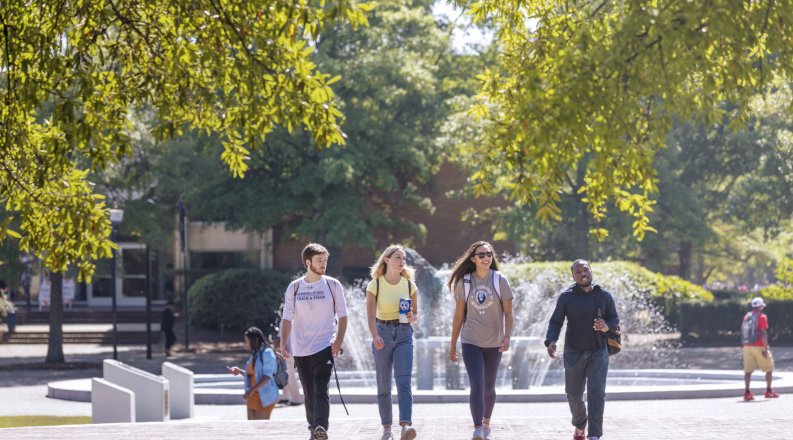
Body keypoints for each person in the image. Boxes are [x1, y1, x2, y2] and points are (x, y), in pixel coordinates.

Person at [544, 259, 619, 440]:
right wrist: (551, 340)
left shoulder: (604, 296)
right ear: (573, 275)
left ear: (591, 271)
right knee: (573, 394)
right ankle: (580, 423)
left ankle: (594, 434)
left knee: (597, 393)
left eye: (585, 270)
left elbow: (614, 318)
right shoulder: (566, 297)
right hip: (573, 351)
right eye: (578, 271)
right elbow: (556, 322)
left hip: (598, 351)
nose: (582, 274)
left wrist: (606, 326)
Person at [281, 243, 348, 440]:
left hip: (324, 345)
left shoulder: (333, 285)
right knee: (309, 392)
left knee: (321, 389)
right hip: (301, 348)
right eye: (319, 260)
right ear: (308, 262)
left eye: (325, 260)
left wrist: (338, 342)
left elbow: (343, 316)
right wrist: (285, 342)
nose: (323, 264)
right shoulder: (294, 288)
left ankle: (320, 426)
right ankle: (313, 427)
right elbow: (287, 318)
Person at [448, 241, 514, 440]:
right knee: (476, 383)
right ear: (473, 259)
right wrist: (453, 346)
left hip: (494, 342)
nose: (486, 258)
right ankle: (477, 428)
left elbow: (509, 313)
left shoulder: (500, 280)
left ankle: (486, 422)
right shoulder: (465, 282)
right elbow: (458, 317)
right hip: (470, 341)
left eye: (489, 254)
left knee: (488, 386)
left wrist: (507, 337)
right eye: (482, 255)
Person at [365, 245, 419, 440]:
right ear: (386, 259)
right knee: (384, 384)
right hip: (382, 332)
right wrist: (375, 335)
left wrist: (412, 316)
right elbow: (370, 316)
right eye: (397, 257)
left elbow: (415, 315)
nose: (401, 261)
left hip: (404, 333)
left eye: (403, 258)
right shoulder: (375, 284)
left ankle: (405, 426)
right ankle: (387, 428)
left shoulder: (409, 285)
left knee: (404, 382)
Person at [226, 327, 280, 420]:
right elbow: (254, 374)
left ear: (256, 340)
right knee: (251, 428)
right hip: (252, 397)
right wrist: (240, 371)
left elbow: (267, 376)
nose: (246, 344)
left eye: (248, 341)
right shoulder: (255, 353)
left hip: (265, 397)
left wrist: (251, 390)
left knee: (261, 429)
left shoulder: (267, 353)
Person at [742, 297, 780, 400]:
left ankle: (747, 392)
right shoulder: (762, 316)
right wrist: (765, 348)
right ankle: (769, 391)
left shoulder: (747, 316)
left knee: (748, 371)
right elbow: (763, 333)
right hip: (759, 346)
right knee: (769, 368)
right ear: (761, 306)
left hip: (747, 346)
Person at [273, 331, 304, 406]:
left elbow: (280, 337)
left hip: (287, 351)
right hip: (293, 349)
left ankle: (296, 399)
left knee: (289, 374)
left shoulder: (284, 320)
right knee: (287, 373)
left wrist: (273, 348)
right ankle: (285, 396)